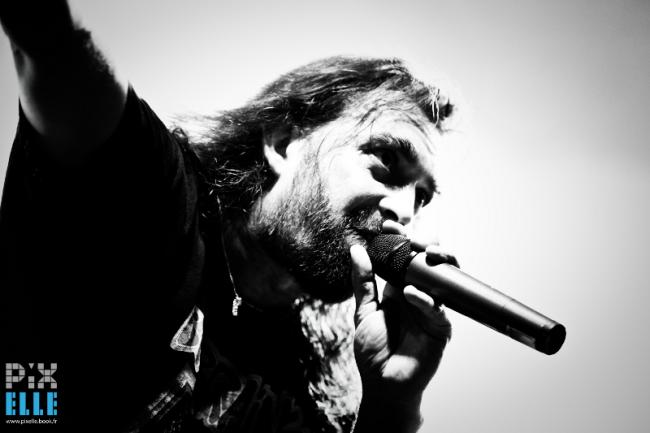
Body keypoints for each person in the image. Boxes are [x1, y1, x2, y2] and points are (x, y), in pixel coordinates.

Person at [0, 1, 458, 432]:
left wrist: (392, 405)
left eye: (421, 198)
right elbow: (61, 51)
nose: (404, 212)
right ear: (283, 144)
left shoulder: (294, 386)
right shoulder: (156, 198)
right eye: (386, 158)